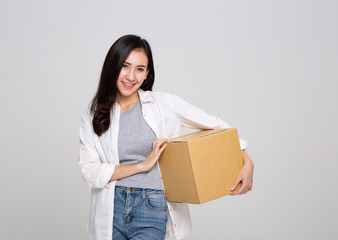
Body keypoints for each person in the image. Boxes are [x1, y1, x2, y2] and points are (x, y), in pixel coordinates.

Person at [79, 34, 254, 240]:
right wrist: (141, 166)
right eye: (125, 66)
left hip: (150, 206)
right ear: (112, 67)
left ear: (147, 74)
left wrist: (247, 161)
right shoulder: (93, 114)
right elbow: (89, 171)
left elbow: (220, 127)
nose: (131, 76)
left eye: (140, 69)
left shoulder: (164, 104)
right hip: (110, 208)